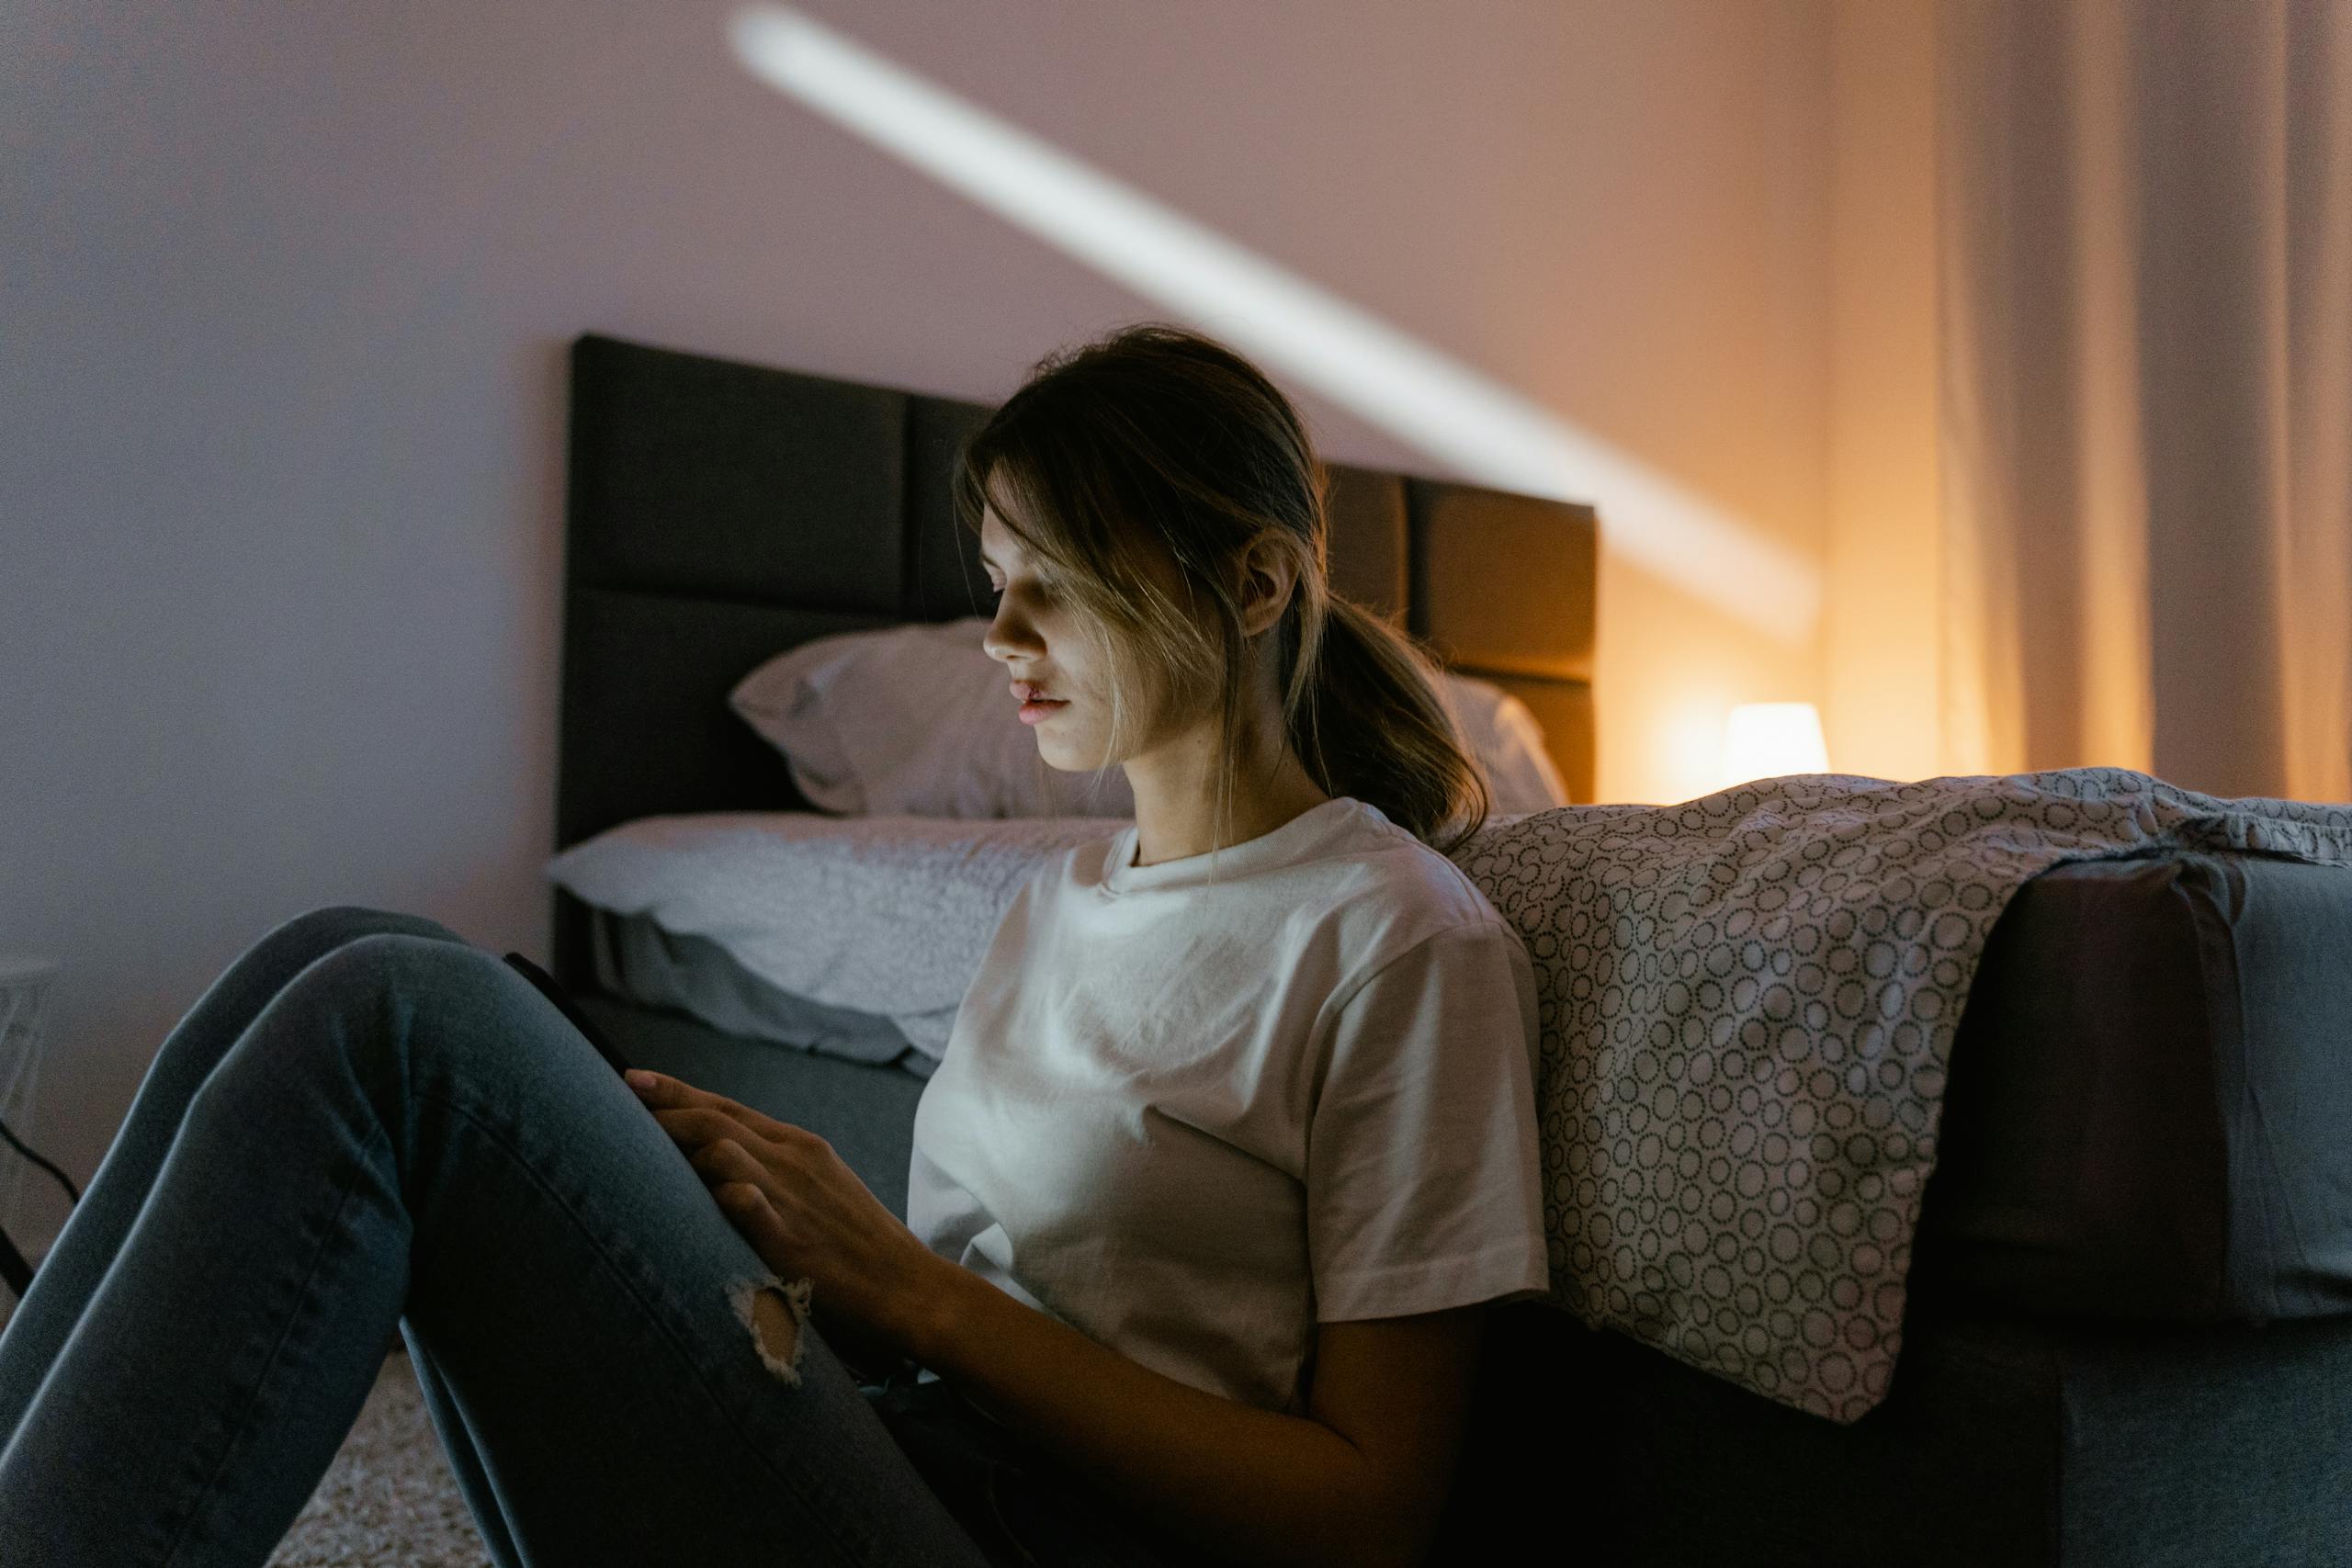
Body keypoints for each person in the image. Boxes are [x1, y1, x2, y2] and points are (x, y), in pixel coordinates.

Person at [0, 321, 1547, 1568]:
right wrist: (782, 1232)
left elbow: (1369, 1515)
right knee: (334, 951)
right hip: (904, 1444)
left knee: (401, 1019)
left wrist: (914, 1294)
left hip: (1041, 1532)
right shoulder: (1057, 901)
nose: (1001, 644)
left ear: (1258, 580)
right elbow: (997, 1285)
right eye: (995, 592)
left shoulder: (1394, 937)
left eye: (1053, 592)